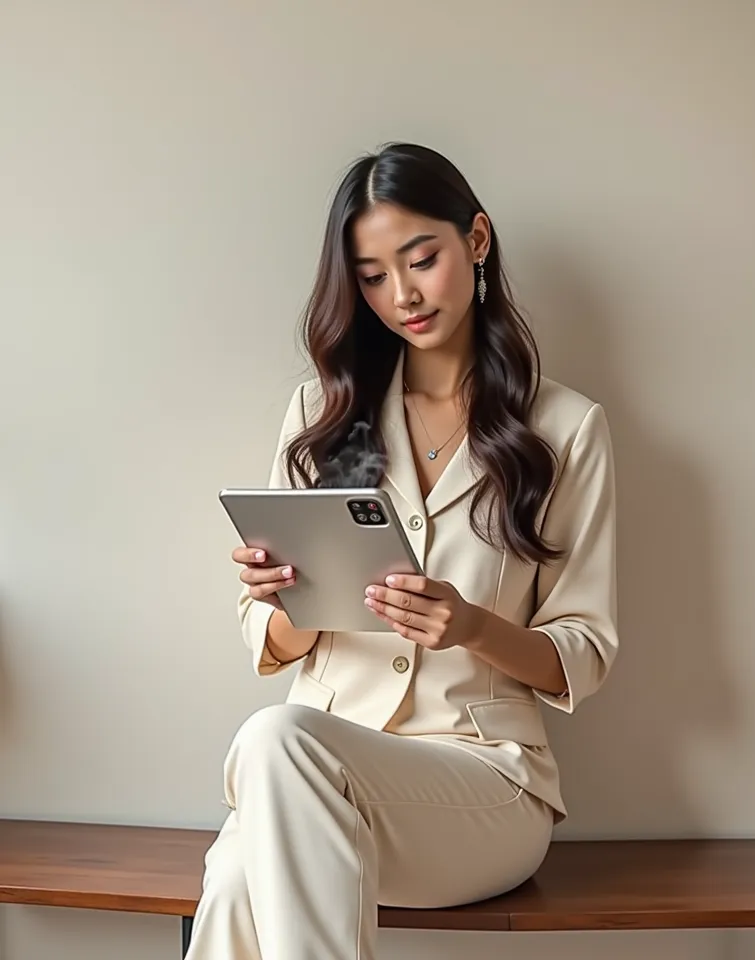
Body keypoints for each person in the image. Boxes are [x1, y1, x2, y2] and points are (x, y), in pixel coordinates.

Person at [186, 142, 618, 960]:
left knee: (269, 755)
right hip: (313, 773)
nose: (403, 295)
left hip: (482, 787)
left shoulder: (565, 429)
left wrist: (470, 627)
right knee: (241, 866)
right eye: (374, 275)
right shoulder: (322, 414)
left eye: (422, 259)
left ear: (478, 241)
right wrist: (284, 603)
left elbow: (583, 654)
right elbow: (271, 643)